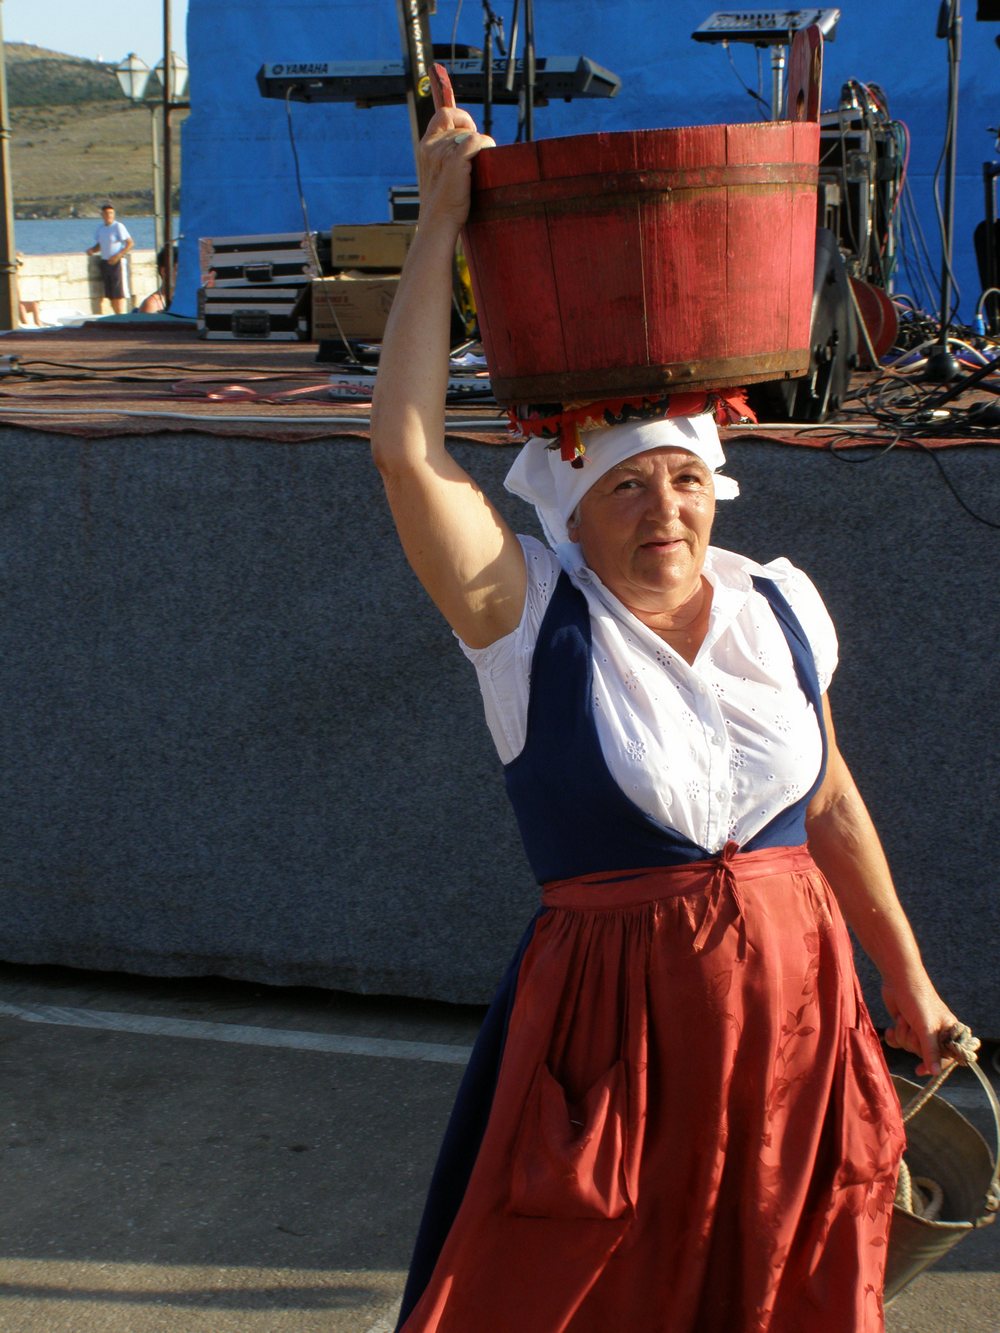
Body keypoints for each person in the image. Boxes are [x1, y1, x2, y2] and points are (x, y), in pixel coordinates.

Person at [370, 85, 963, 1333]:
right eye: (630, 485)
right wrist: (440, 223)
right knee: (588, 1289)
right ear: (568, 508)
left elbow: (832, 802)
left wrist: (905, 983)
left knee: (789, 1280)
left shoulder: (778, 610)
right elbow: (410, 452)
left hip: (800, 1013)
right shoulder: (523, 618)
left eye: (688, 479)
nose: (666, 510)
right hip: (614, 1040)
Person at [86, 202, 133, 314]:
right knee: (111, 295)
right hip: (105, 262)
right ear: (102, 215)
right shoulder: (101, 228)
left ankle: (122, 317)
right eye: (107, 213)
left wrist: (118, 255)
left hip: (117, 263)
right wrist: (92, 250)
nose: (109, 215)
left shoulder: (118, 226)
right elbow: (100, 245)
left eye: (111, 213)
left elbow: (130, 243)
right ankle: (117, 316)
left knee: (119, 294)